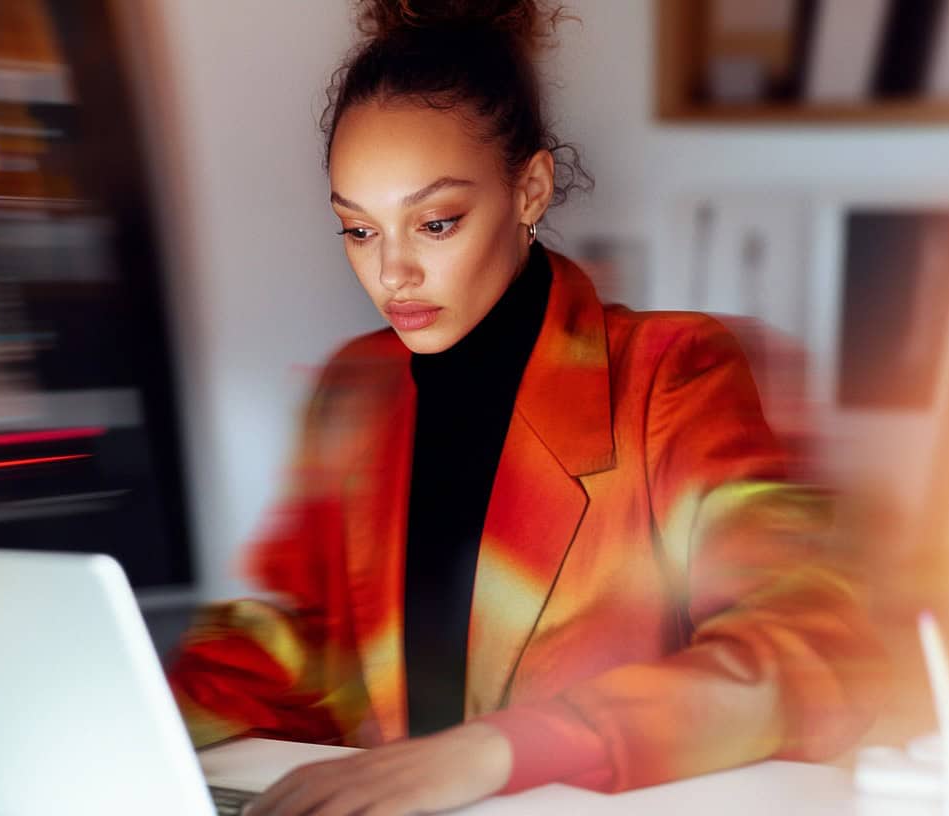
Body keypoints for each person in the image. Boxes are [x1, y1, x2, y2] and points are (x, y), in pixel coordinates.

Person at [168, 2, 886, 813]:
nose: (392, 273)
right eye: (358, 231)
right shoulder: (355, 390)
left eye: (435, 222)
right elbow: (303, 646)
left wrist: (496, 752)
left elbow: (811, 657)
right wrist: (133, 708)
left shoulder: (671, 375)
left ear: (530, 190)